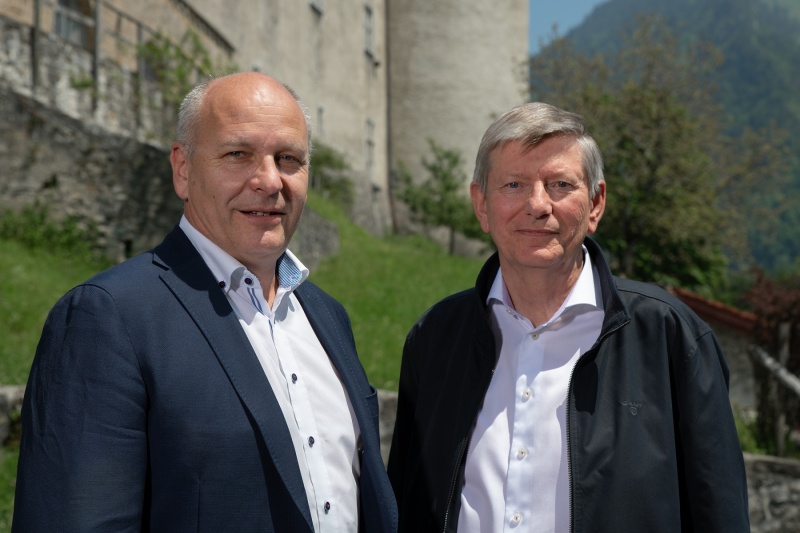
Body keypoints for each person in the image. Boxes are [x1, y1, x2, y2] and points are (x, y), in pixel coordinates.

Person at [13, 72, 397, 532]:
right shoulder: (110, 317)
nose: (269, 180)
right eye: (238, 154)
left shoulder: (327, 316)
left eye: (289, 159)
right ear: (183, 169)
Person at [387, 102, 749, 532]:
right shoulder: (434, 339)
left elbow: (719, 513)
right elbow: (403, 504)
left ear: (595, 204)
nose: (537, 205)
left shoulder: (670, 337)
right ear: (481, 205)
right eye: (514, 184)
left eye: (560, 184)